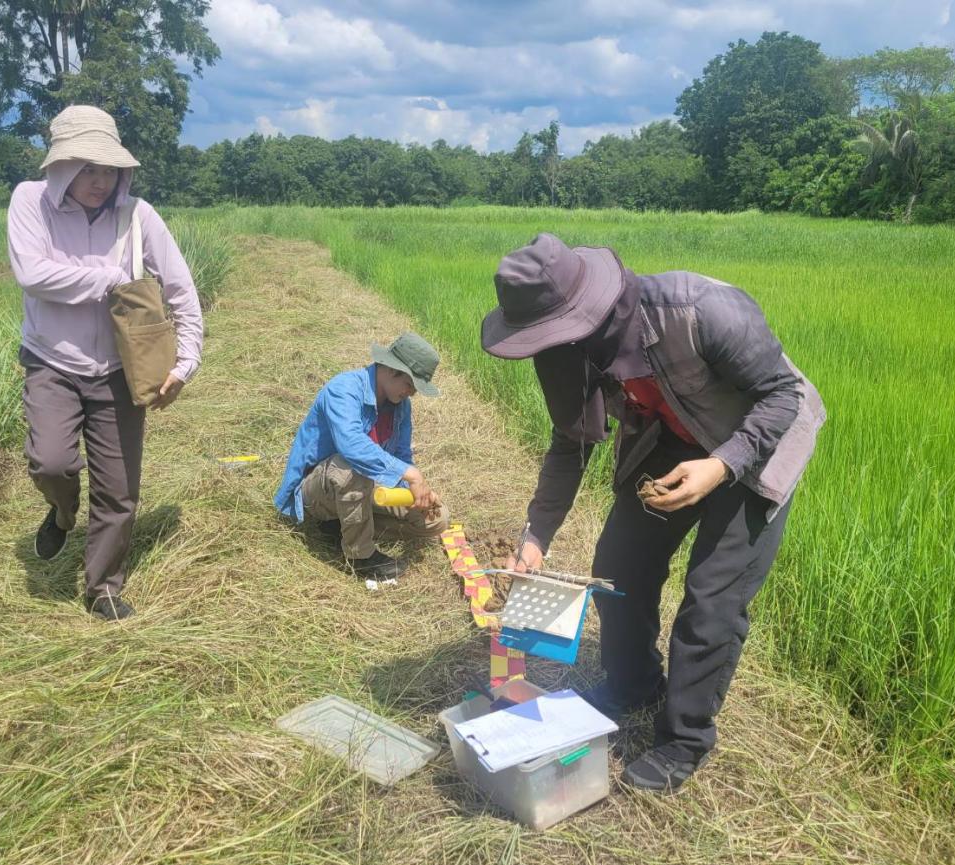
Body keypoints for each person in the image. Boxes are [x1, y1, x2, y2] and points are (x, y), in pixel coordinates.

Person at [481, 233, 825, 792]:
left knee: (713, 596)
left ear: (587, 311)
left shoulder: (700, 310)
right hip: (669, 440)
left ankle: (684, 738)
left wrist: (720, 466)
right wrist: (535, 536)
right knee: (619, 563)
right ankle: (633, 684)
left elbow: (783, 395)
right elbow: (571, 444)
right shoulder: (572, 354)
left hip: (756, 443)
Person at [7, 104, 203, 621]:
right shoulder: (30, 201)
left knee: (119, 490)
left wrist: (185, 363)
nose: (100, 181)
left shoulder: (137, 215)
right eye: (88, 169)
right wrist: (112, 279)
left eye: (108, 169)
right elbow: (33, 274)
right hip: (52, 361)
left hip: (119, 371)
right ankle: (62, 509)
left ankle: (104, 586)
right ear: (61, 167)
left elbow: (180, 287)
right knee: (51, 462)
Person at [275, 333, 449, 579]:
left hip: (364, 487)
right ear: (391, 369)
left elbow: (400, 454)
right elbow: (352, 445)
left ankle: (342, 528)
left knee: (437, 518)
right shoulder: (343, 389)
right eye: (410, 385)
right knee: (352, 466)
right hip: (320, 489)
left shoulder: (400, 405)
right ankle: (361, 556)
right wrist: (410, 474)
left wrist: (415, 490)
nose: (411, 394)